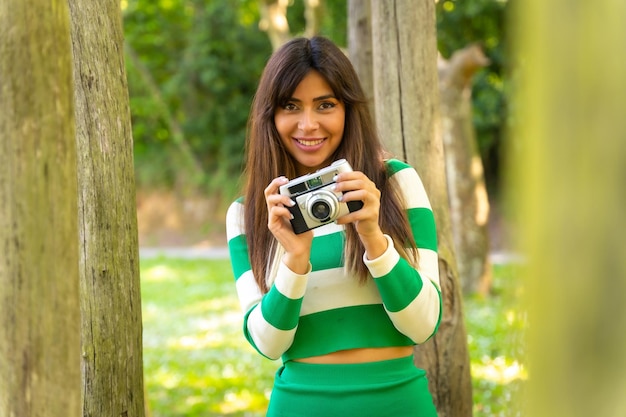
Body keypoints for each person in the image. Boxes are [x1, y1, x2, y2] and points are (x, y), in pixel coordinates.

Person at [226, 36, 441, 417]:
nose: (308, 124)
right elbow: (268, 344)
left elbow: (423, 325)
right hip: (300, 404)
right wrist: (295, 259)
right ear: (270, 116)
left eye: (325, 105)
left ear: (348, 110)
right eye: (291, 106)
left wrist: (373, 238)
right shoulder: (250, 214)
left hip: (397, 403)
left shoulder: (395, 184)